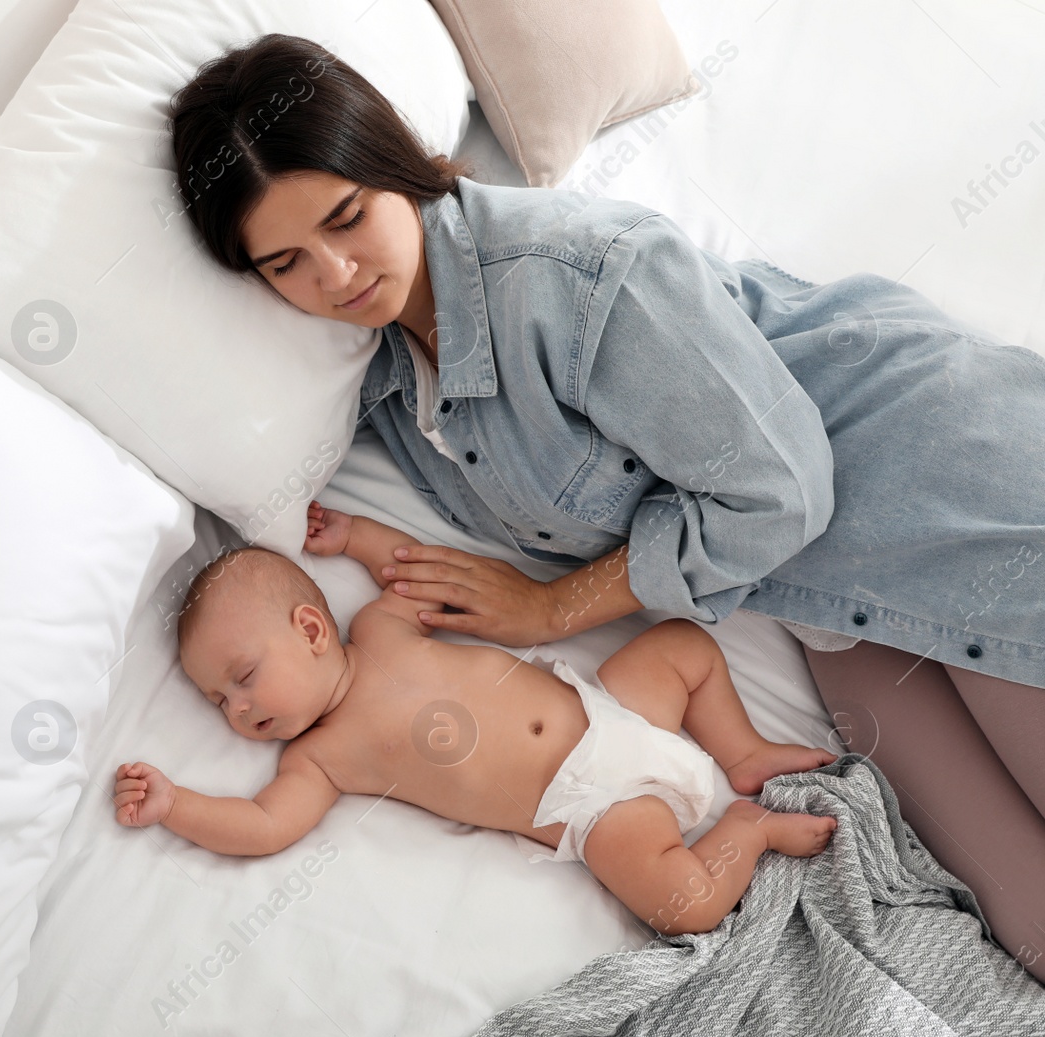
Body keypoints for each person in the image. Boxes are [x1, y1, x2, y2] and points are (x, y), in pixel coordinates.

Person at [168, 33, 1045, 980]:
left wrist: (552, 607)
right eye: (287, 263)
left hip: (936, 481)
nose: (334, 277)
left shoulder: (579, 277)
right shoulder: (386, 382)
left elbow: (780, 491)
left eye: (346, 218)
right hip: (827, 601)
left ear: (391, 165)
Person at [114, 504, 839, 935]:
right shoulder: (320, 758)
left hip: (606, 706)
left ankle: (739, 751)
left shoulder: (381, 628)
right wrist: (177, 804)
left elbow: (414, 572)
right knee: (689, 906)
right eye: (219, 702)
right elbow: (265, 826)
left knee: (685, 645)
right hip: (592, 809)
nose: (239, 709)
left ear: (310, 628)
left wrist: (355, 533)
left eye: (242, 679)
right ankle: (751, 829)